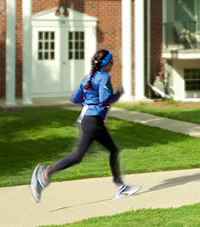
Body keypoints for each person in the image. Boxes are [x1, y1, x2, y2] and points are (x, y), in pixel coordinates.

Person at [30, 49, 140, 202]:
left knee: (113, 149)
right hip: (93, 122)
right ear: (105, 64)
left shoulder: (88, 78)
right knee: (77, 156)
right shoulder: (103, 77)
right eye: (111, 62)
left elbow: (75, 99)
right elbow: (104, 99)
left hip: (90, 120)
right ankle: (45, 175)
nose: (112, 65)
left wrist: (88, 103)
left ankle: (119, 186)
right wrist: (118, 94)